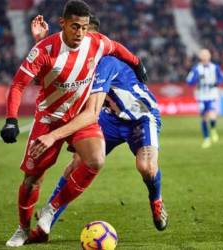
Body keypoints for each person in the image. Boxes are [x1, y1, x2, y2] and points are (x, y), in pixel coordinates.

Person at [0, 1, 146, 247]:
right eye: (75, 26)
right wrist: (11, 120)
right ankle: (23, 229)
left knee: (96, 159)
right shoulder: (44, 50)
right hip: (48, 120)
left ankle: (50, 210)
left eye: (84, 27)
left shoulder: (95, 42)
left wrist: (137, 62)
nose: (80, 33)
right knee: (32, 180)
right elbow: (18, 84)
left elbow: (118, 48)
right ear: (63, 23)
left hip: (79, 119)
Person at [27, 14, 168, 244]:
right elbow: (45, 77)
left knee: (147, 168)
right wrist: (40, 43)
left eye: (86, 35)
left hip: (140, 117)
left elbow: (91, 110)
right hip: (110, 117)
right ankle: (47, 219)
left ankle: (156, 199)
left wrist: (54, 136)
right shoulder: (78, 59)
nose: (80, 40)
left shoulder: (105, 62)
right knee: (77, 163)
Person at [186, 49, 223, 149]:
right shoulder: (196, 69)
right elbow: (189, 81)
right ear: (200, 57)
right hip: (201, 96)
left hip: (212, 94)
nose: (204, 56)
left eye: (206, 54)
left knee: (212, 115)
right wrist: (195, 79)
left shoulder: (214, 67)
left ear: (209, 56)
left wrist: (218, 82)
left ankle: (213, 129)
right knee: (204, 117)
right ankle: (206, 139)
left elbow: (222, 77)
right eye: (203, 55)